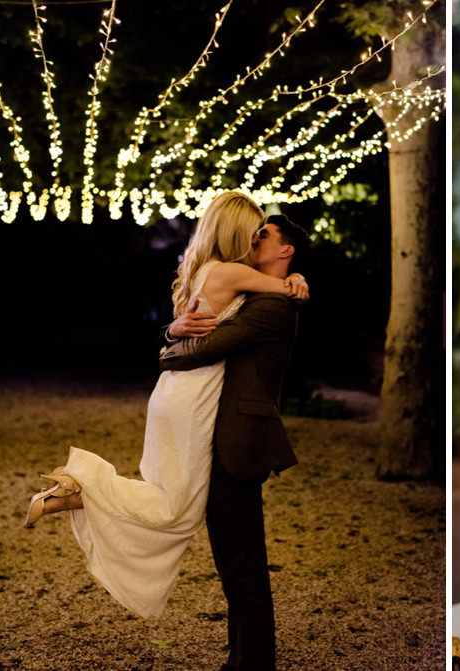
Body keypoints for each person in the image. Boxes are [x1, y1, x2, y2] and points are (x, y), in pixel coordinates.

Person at [22, 192, 309, 626]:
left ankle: (79, 492)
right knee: (177, 509)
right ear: (235, 233)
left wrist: (173, 330)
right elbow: (278, 292)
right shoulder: (235, 274)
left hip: (175, 395)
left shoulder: (203, 271)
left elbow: (197, 325)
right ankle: (81, 488)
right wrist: (296, 281)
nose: (254, 242)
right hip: (192, 395)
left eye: (261, 236)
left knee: (170, 499)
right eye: (252, 234)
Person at [160, 213, 309, 671]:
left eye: (264, 234)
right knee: (232, 559)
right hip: (220, 438)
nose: (253, 237)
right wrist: (171, 331)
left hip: (238, 441)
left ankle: (253, 662)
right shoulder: (251, 297)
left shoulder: (271, 308)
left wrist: (169, 347)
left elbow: (201, 349)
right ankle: (241, 656)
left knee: (242, 560)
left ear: (285, 251)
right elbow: (196, 332)